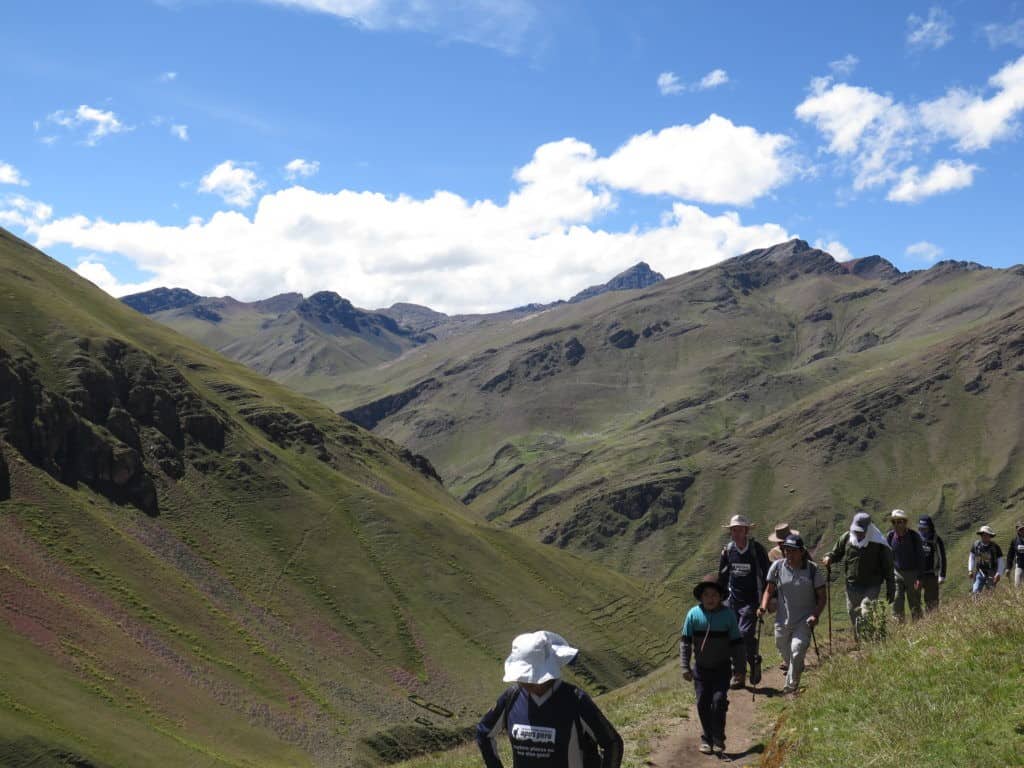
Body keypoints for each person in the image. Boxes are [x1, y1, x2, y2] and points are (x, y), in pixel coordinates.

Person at [476, 630, 623, 768]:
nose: (526, 682)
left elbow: (612, 743)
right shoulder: (511, 698)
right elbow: (484, 732)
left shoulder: (575, 700)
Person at [681, 573, 744, 756]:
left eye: (714, 595)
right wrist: (685, 667)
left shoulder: (728, 616)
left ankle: (718, 738)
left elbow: (737, 644)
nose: (710, 598)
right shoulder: (693, 614)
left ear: (721, 597)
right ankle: (707, 738)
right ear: (701, 596)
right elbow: (685, 642)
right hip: (700, 670)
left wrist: (739, 670)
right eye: (706, 595)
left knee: (717, 701)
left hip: (722, 669)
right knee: (702, 703)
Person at [758, 534, 826, 694]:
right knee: (782, 646)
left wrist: (815, 615)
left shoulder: (812, 570)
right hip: (782, 620)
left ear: (801, 552)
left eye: (793, 551)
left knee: (796, 650)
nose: (789, 554)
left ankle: (790, 688)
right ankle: (797, 667)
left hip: (805, 620)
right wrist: (762, 607)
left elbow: (822, 597)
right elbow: (769, 590)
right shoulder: (777, 567)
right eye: (786, 550)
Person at [821, 511, 895, 641]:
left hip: (872, 586)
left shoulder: (878, 543)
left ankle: (868, 641)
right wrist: (828, 558)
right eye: (856, 530)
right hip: (852, 586)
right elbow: (836, 552)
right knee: (854, 615)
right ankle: (862, 643)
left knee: (866, 612)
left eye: (861, 531)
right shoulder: (847, 538)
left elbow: (888, 567)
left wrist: (891, 588)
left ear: (869, 528)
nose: (858, 534)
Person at [716, 514, 770, 689]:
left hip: (752, 600)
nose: (736, 533)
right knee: (732, 636)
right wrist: (718, 600)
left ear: (746, 531)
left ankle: (747, 664)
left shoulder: (756, 550)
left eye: (740, 530)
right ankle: (740, 672)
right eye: (733, 530)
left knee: (743, 634)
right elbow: (723, 577)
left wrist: (768, 600)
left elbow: (768, 574)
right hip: (733, 599)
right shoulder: (728, 551)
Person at [886, 509, 924, 622]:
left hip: (912, 573)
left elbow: (921, 558)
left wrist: (919, 577)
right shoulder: (890, 536)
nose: (896, 525)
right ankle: (900, 629)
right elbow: (887, 556)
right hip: (897, 573)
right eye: (894, 522)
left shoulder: (914, 537)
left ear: (905, 522)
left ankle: (919, 627)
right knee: (896, 600)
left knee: (914, 602)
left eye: (899, 521)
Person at [917, 515, 947, 610]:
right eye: (920, 528)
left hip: (932, 575)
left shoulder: (936, 540)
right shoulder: (916, 538)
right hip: (917, 575)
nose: (922, 531)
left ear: (930, 527)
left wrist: (942, 575)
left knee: (932, 602)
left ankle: (932, 621)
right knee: (915, 600)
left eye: (924, 528)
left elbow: (942, 558)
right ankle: (918, 622)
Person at [969, 525, 1005, 594]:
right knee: (975, 591)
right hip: (979, 572)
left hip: (991, 573)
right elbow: (971, 557)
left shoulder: (995, 547)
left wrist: (998, 574)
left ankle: (990, 604)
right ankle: (976, 604)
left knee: (990, 592)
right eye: (983, 535)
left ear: (990, 536)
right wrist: (970, 570)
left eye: (986, 535)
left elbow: (1000, 561)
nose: (984, 536)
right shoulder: (976, 545)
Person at [1007, 521, 1024, 589]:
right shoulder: (1015, 541)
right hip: (1019, 565)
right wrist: (1008, 568)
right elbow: (1010, 555)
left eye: (1023, 529)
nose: (1022, 531)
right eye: (1020, 529)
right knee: (1017, 585)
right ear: (1017, 530)